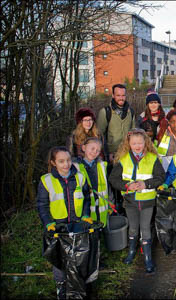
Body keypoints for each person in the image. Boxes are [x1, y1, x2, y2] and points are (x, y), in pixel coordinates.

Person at [37, 146, 92, 299]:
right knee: (60, 259)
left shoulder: (80, 177)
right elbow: (42, 205)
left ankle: (80, 285)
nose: (66, 164)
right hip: (58, 226)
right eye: (61, 161)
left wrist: (86, 214)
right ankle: (61, 287)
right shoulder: (46, 180)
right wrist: (48, 223)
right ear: (53, 163)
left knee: (79, 257)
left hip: (78, 224)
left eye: (68, 160)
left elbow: (87, 198)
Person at [108, 128, 165, 273]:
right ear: (129, 144)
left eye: (140, 143)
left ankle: (147, 257)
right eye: (134, 143)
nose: (137, 146)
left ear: (145, 143)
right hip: (130, 201)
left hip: (147, 201)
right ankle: (132, 252)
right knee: (133, 228)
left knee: (145, 228)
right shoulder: (123, 159)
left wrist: (146, 184)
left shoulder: (153, 158)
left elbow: (160, 177)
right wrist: (127, 185)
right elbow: (113, 179)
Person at [72, 138, 110, 227]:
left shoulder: (102, 165)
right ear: (84, 148)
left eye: (97, 151)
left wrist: (109, 203)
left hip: (100, 206)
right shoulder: (75, 166)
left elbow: (107, 186)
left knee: (99, 230)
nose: (94, 152)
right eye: (92, 149)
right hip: (84, 206)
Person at [97, 84, 136, 163]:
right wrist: (107, 153)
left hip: (128, 154)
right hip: (111, 156)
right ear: (113, 95)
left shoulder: (131, 112)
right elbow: (99, 135)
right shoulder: (105, 112)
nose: (121, 98)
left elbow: (134, 133)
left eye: (123, 95)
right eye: (118, 95)